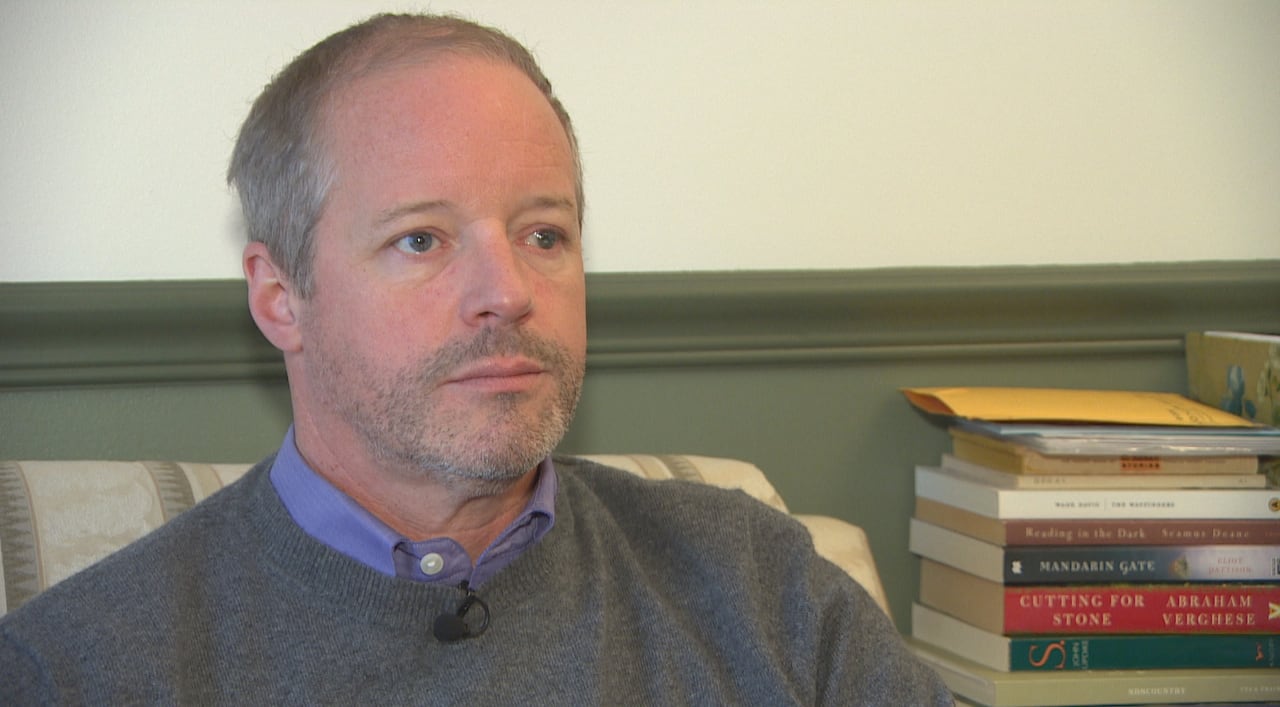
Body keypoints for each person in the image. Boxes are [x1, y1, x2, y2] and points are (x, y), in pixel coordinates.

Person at [0, 13, 951, 705]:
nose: (509, 291)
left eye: (544, 233)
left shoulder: (760, 585)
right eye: (421, 240)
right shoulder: (80, 668)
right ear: (279, 296)